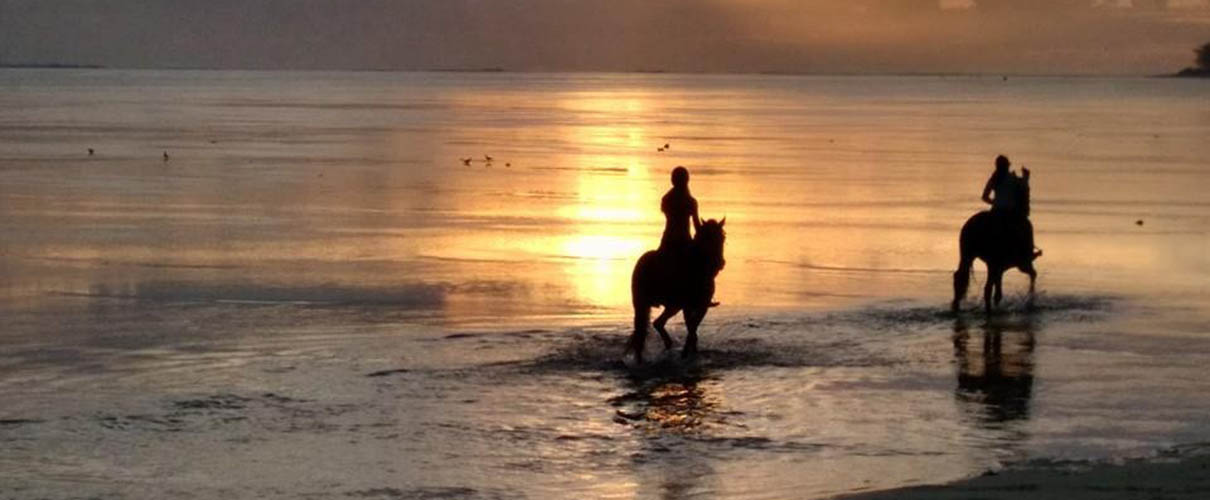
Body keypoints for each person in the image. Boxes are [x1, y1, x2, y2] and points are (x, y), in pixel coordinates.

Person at [981, 155, 1039, 260]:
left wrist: (994, 202)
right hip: (1010, 213)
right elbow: (1024, 189)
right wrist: (1026, 177)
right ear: (1007, 166)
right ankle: (1029, 252)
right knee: (1027, 225)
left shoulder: (993, 179)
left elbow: (984, 197)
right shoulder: (1012, 179)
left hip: (995, 211)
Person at [658, 166, 701, 256]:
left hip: (668, 240)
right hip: (685, 240)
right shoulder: (691, 201)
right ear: (687, 180)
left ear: (673, 180)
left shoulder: (666, 199)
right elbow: (697, 226)